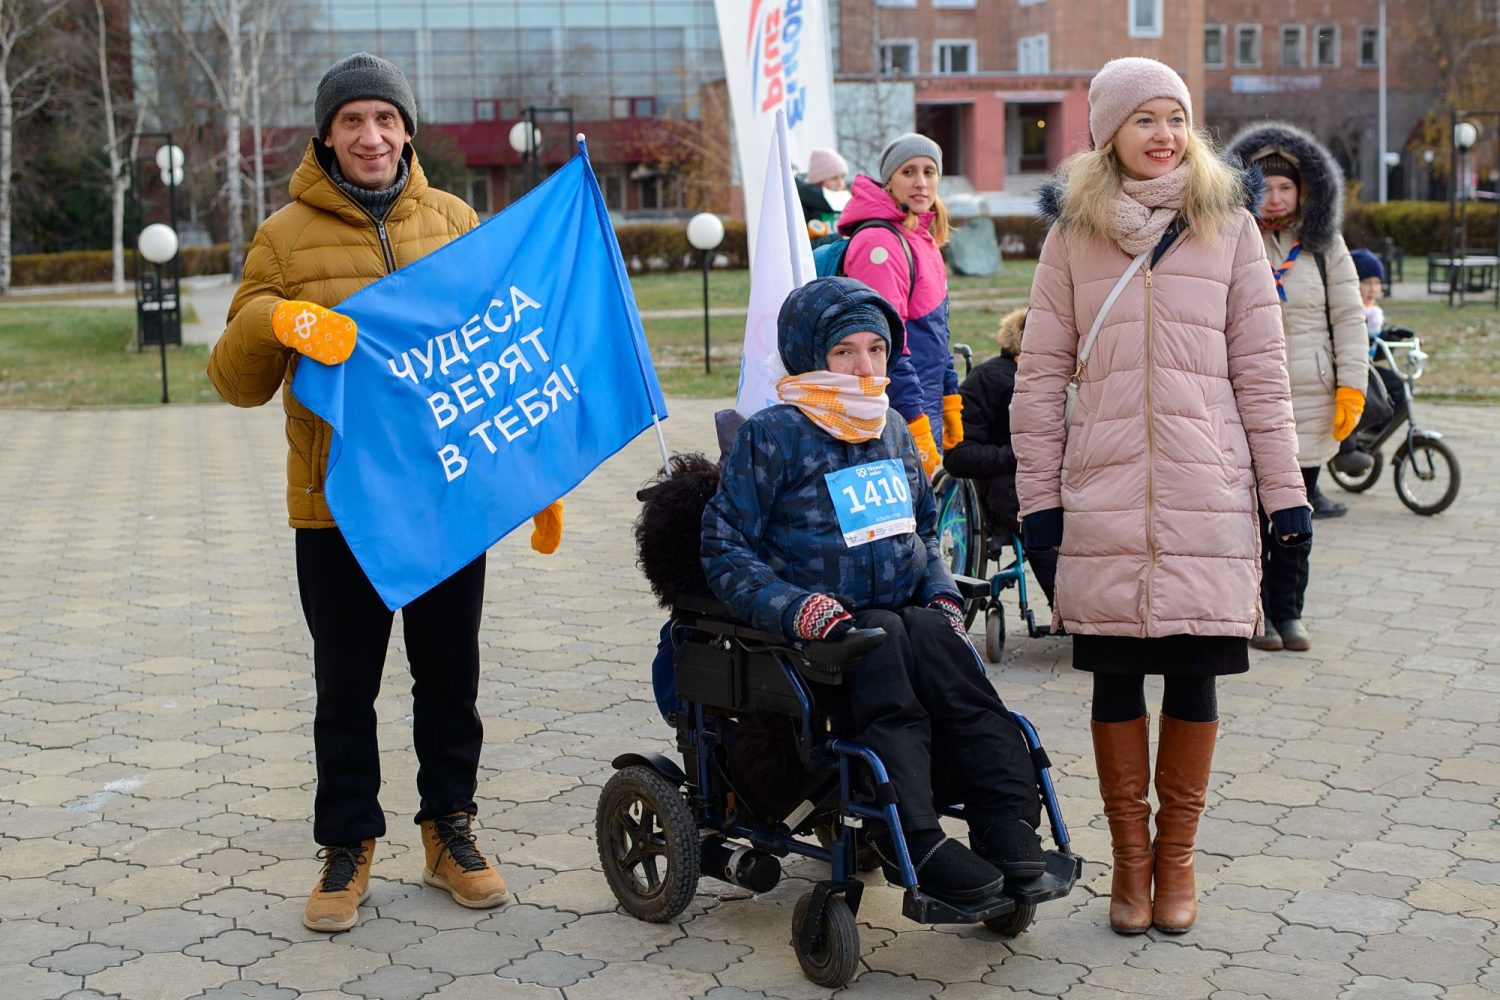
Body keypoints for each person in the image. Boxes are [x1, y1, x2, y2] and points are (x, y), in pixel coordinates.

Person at [207, 52, 562, 933]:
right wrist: (272, 320)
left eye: (385, 119)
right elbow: (234, 382)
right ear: (327, 136)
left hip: (448, 500)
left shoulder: (455, 220)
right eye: (353, 120)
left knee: (450, 678)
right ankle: (347, 844)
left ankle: (449, 832)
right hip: (340, 508)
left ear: (407, 131)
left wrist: (531, 473)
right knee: (345, 689)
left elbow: (499, 353)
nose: (371, 136)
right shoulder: (283, 237)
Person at [1011, 57, 1310, 936]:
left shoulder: (1230, 227)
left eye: (1176, 117)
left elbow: (1262, 374)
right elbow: (1038, 381)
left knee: (1194, 673)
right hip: (1102, 494)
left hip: (1204, 494)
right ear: (1108, 132)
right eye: (1144, 118)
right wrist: (1037, 501)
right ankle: (1128, 864)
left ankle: (1176, 859)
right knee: (1112, 680)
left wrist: (1285, 496)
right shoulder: (1073, 235)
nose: (1165, 135)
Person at [702, 276, 1045, 910]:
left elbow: (922, 531)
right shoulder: (774, 436)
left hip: (904, 612)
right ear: (810, 355)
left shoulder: (889, 426)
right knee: (888, 656)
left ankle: (1007, 818)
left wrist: (940, 591)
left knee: (959, 674)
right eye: (845, 352)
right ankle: (914, 840)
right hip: (825, 632)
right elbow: (725, 550)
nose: (865, 368)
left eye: (877, 350)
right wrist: (798, 608)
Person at [1226, 123, 1368, 646]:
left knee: (1294, 517)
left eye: (1286, 186)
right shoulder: (1228, 239)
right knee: (1246, 516)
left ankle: (1288, 613)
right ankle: (1253, 612)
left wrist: (1351, 386)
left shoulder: (1324, 247)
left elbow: (1349, 318)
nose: (1276, 196)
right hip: (1243, 401)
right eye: (1265, 186)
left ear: (1304, 190)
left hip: (1307, 400)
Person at [838, 132, 960, 479]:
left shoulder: (922, 238)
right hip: (894, 415)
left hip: (925, 403)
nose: (921, 182)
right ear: (889, 181)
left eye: (929, 172)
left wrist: (950, 398)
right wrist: (914, 422)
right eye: (908, 172)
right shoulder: (879, 244)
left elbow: (937, 332)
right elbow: (885, 344)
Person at [941, 306, 1057, 609]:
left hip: (1066, 478)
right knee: (1044, 521)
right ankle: (1070, 610)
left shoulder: (1068, 377)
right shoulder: (988, 379)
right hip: (1009, 483)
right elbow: (958, 457)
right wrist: (1021, 456)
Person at [798, 146, 852, 241]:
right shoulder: (804, 206)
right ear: (819, 181)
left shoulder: (849, 204)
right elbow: (804, 245)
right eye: (834, 178)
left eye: (842, 177)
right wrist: (841, 238)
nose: (840, 183)